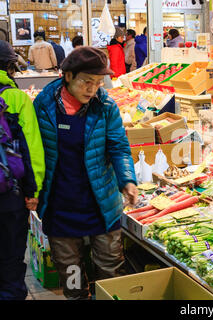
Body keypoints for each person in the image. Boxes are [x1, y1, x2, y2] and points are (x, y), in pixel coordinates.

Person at [33, 46, 138, 300]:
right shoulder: (44, 106)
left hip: (101, 203)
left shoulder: (105, 106)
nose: (92, 89)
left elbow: (119, 146)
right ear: (67, 76)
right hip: (60, 206)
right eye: (86, 81)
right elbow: (33, 151)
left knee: (110, 270)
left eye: (98, 82)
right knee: (71, 273)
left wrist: (127, 180)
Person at [0, 40, 45, 300]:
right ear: (8, 66)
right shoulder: (16, 97)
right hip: (9, 196)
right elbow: (32, 149)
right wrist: (33, 191)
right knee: (10, 258)